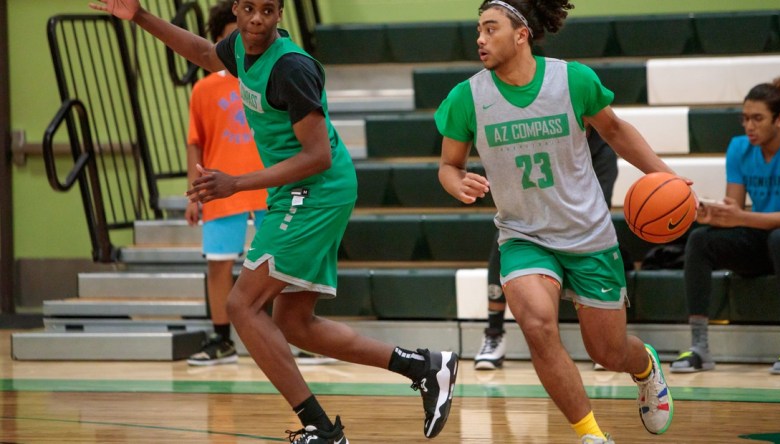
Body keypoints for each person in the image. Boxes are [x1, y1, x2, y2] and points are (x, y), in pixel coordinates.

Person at [88, 0, 459, 442]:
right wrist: (141, 17)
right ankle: (423, 366)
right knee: (296, 324)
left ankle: (321, 428)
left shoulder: (292, 68)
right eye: (249, 8)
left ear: (280, 13)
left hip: (317, 189)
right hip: (298, 190)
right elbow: (205, 54)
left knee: (241, 305)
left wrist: (237, 183)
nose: (257, 19)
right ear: (237, 10)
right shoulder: (242, 49)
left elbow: (317, 155)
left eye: (267, 9)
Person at [435, 1, 677, 442]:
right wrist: (455, 182)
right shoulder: (466, 97)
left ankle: (645, 367)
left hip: (588, 233)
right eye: (478, 31)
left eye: (490, 30)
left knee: (607, 351)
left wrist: (667, 178)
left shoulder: (573, 80)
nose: (480, 40)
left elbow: (617, 132)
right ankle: (591, 435)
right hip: (524, 235)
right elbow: (449, 164)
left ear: (521, 34)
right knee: (537, 324)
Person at [670, 77, 780, 376]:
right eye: (745, 118)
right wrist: (715, 215)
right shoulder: (739, 148)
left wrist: (742, 218)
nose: (749, 126)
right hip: (762, 239)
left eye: (757, 118)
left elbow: (746, 218)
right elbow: (734, 207)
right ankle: (699, 347)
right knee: (700, 239)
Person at [475, 126, 618, 371]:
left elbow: (600, 203)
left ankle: (604, 344)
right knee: (502, 241)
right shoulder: (548, 137)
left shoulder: (603, 152)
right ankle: (494, 333)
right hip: (537, 225)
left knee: (613, 251)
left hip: (582, 230)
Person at [185, 0, 268, 367]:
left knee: (278, 262)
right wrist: (193, 192)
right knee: (219, 263)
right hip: (220, 185)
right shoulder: (203, 89)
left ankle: (288, 333)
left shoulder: (271, 74)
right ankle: (221, 339)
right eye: (231, 35)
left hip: (267, 184)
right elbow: (195, 143)